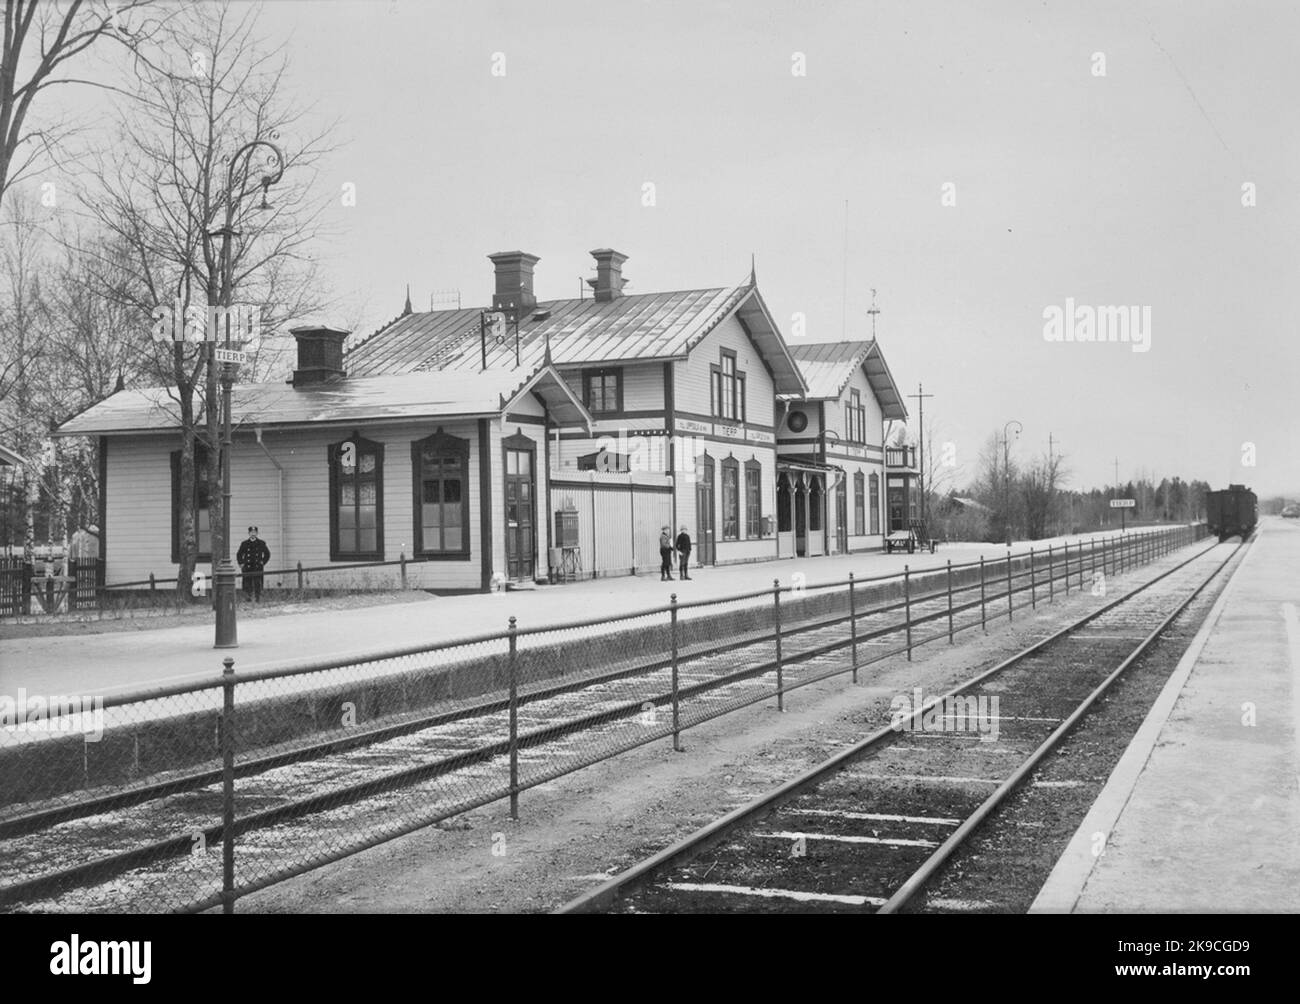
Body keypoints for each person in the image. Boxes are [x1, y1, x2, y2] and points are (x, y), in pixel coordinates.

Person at [236, 525, 271, 601]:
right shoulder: (244, 543)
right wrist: (241, 563)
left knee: (257, 583)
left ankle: (257, 598)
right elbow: (239, 554)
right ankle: (248, 598)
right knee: (247, 583)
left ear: (257, 533)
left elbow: (267, 554)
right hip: (247, 567)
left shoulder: (261, 543)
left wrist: (263, 562)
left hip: (257, 566)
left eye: (254, 532)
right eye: (251, 532)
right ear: (249, 533)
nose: (253, 534)